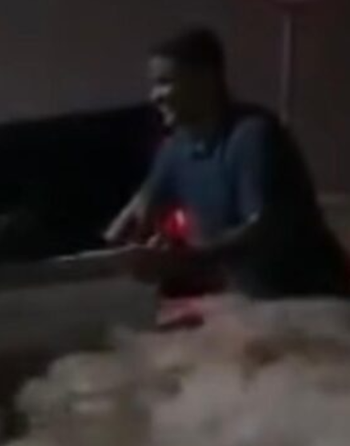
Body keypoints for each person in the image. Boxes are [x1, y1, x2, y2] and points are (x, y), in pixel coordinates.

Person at [106, 27, 350, 299]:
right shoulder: (175, 149)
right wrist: (117, 254)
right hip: (255, 304)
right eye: (153, 85)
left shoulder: (253, 135)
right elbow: (134, 218)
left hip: (314, 298)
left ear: (206, 80)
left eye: (165, 82)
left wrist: (184, 260)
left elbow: (261, 231)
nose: (155, 96)